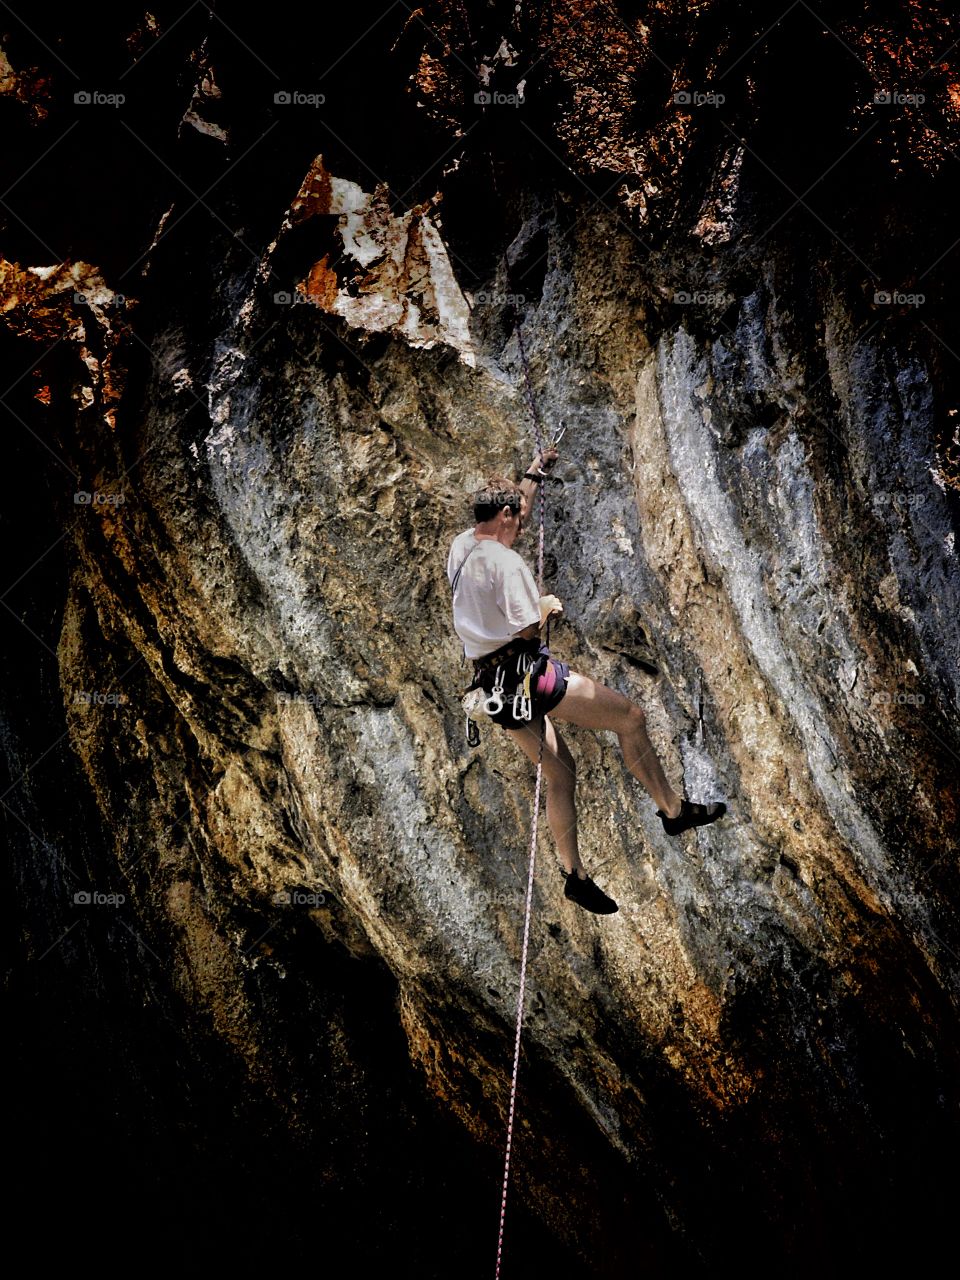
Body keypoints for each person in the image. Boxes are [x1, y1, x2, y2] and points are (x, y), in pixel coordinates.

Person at [446, 443, 726, 915]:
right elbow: (527, 628)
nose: (520, 525)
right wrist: (547, 607)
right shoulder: (507, 564)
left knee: (560, 774)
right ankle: (674, 811)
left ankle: (574, 875)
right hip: (528, 677)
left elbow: (519, 508)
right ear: (506, 518)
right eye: (517, 518)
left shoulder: (463, 546)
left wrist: (534, 473)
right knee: (631, 719)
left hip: (492, 688)